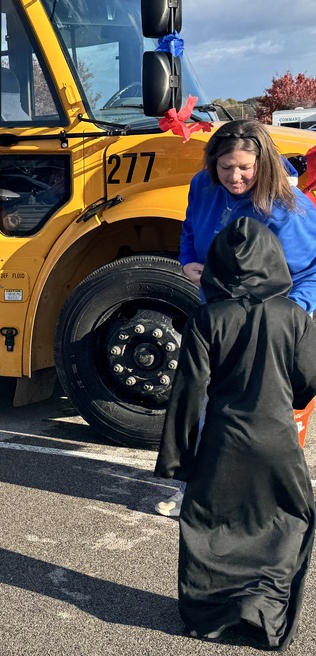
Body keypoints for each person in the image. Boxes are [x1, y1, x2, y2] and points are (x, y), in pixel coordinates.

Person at [155, 217, 316, 650]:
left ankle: (210, 617)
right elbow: (309, 380)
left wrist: (176, 458)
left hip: (222, 442)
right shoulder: (294, 317)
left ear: (218, 265)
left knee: (211, 526)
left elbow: (189, 392)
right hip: (278, 442)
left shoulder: (206, 318)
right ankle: (265, 613)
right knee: (285, 522)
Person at [157, 119, 316, 518]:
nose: (235, 177)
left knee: (267, 419)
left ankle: (274, 503)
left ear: (263, 163)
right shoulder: (202, 184)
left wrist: (288, 321)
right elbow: (190, 230)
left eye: (245, 167)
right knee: (203, 405)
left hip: (271, 325)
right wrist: (188, 263)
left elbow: (311, 272)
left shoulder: (289, 208)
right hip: (216, 318)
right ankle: (196, 490)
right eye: (226, 167)